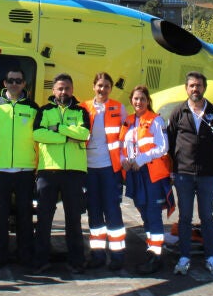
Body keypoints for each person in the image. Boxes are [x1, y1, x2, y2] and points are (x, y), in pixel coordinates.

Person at [167, 71, 213, 276]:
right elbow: (170, 142)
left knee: (207, 217)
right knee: (185, 217)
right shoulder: (178, 112)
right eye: (192, 85)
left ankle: (211, 257)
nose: (195, 89)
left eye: (199, 85)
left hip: (207, 175)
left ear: (204, 88)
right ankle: (184, 257)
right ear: (186, 88)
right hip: (183, 174)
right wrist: (172, 169)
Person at [0, 68, 39, 269]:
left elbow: (37, 136)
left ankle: (25, 255)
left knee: (25, 215)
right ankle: (0, 255)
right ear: (5, 83)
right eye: (11, 80)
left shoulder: (32, 107)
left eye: (18, 81)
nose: (14, 84)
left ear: (24, 84)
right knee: (0, 215)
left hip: (25, 169)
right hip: (0, 169)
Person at [32, 73, 91, 274]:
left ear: (72, 90)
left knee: (73, 219)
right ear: (53, 90)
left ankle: (76, 261)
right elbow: (38, 134)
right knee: (44, 218)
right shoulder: (44, 111)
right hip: (48, 171)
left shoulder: (81, 111)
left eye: (67, 88)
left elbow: (84, 134)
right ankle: (40, 260)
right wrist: (66, 137)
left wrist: (58, 128)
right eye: (60, 88)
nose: (63, 92)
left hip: (74, 172)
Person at [122, 85, 172, 274]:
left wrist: (141, 159)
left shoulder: (156, 120)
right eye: (136, 98)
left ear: (148, 101)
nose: (139, 102)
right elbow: (122, 146)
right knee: (143, 213)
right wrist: (123, 160)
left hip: (151, 174)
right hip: (135, 174)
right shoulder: (128, 121)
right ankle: (152, 249)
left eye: (142, 98)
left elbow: (163, 147)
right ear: (131, 100)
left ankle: (156, 256)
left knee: (153, 214)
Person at [81, 72, 127, 271]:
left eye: (107, 86)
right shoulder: (83, 107)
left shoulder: (119, 107)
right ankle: (97, 254)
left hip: (110, 168)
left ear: (111, 88)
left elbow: (127, 137)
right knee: (94, 212)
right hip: (89, 168)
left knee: (113, 211)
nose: (103, 89)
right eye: (100, 85)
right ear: (94, 87)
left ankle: (117, 256)